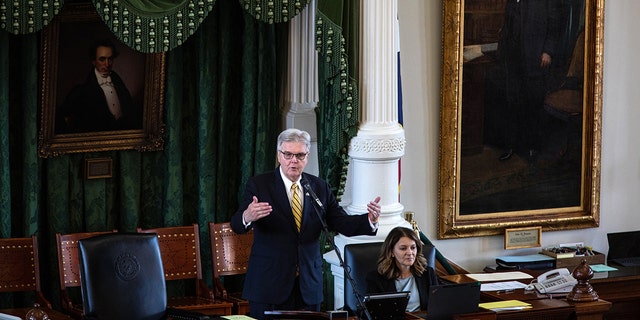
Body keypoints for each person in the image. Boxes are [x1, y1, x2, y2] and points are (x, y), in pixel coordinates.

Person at [230, 128, 382, 319]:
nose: (294, 160)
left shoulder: (319, 187)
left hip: (308, 285)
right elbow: (236, 224)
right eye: (288, 154)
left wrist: (369, 220)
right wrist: (248, 216)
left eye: (300, 155)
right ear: (279, 155)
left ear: (307, 156)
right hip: (269, 284)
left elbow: (340, 222)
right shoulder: (259, 185)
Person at [494, 0, 562, 161]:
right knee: (512, 101)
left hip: (534, 56)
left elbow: (554, 23)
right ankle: (511, 146)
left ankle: (532, 147)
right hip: (512, 56)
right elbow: (509, 22)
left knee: (533, 102)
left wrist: (548, 51)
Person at [56, 39, 141, 133]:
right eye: (102, 59)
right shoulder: (82, 91)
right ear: (93, 61)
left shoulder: (119, 83)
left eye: (110, 59)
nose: (107, 64)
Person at [366, 226, 438, 313]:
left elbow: (437, 306)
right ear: (391, 252)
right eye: (403, 248)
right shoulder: (376, 279)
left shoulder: (428, 273)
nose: (410, 253)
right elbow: (373, 312)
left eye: (413, 247)